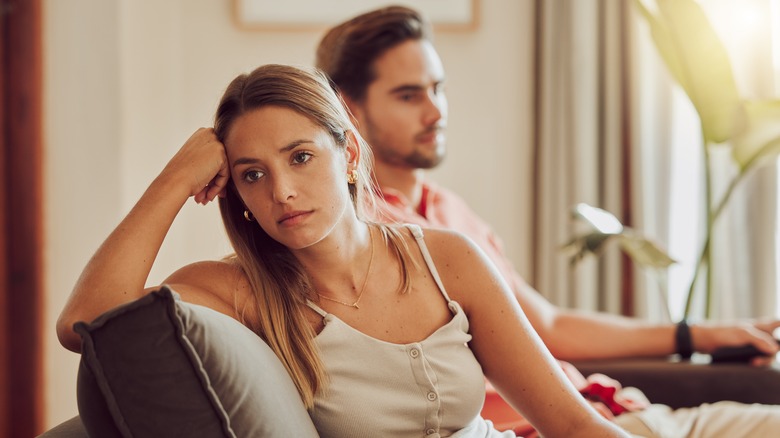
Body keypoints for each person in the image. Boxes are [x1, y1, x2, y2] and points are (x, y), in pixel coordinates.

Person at [56, 64, 628, 437]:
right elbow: (83, 325)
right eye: (252, 174)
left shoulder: (447, 259)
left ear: (350, 155)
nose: (280, 191)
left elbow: (572, 424)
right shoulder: (234, 291)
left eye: (300, 157)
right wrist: (175, 179)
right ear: (234, 191)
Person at [315, 5, 780, 437]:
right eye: (409, 95)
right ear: (347, 107)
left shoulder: (448, 210)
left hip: (619, 410)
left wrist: (696, 333)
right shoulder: (361, 237)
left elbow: (548, 324)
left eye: (438, 89)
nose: (436, 112)